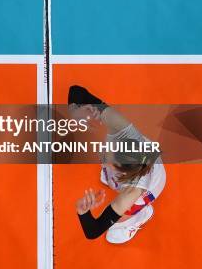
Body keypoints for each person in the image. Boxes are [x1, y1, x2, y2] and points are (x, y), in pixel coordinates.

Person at [69, 85, 166, 244]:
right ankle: (110, 178)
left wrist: (83, 212)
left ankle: (141, 215)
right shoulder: (123, 129)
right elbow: (76, 91)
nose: (105, 151)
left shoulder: (133, 192)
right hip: (132, 171)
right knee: (107, 175)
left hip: (150, 189)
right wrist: (75, 112)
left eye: (109, 158)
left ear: (122, 171)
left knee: (113, 235)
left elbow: (93, 231)